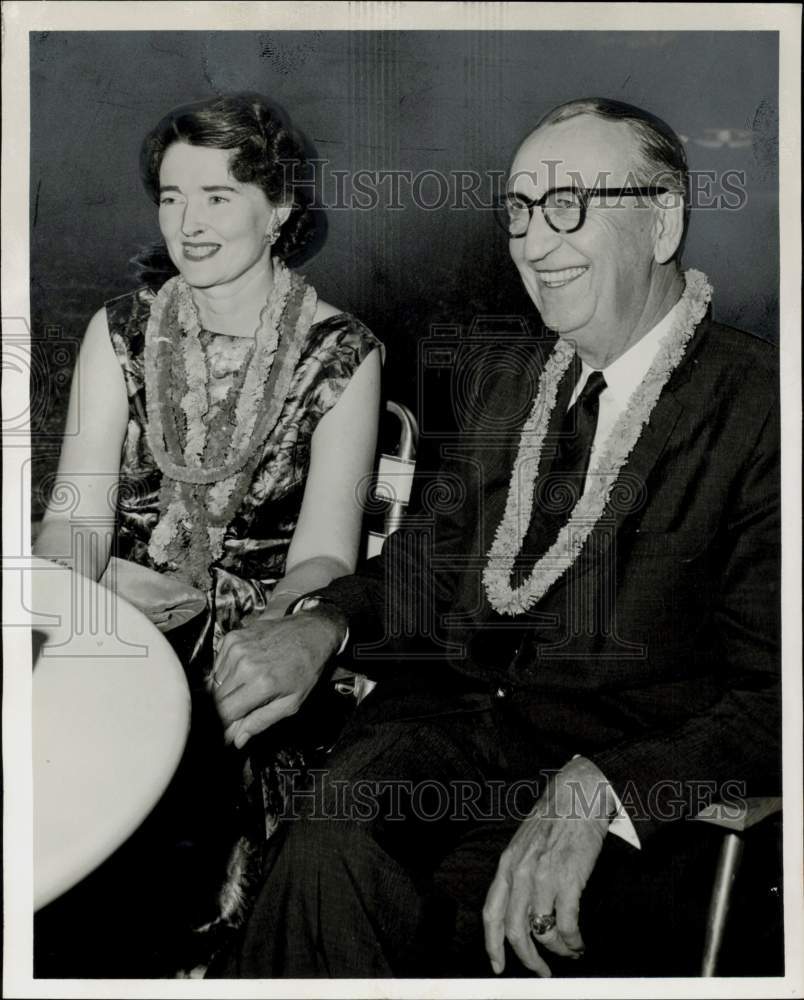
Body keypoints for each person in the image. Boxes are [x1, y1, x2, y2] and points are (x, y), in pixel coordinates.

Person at [208, 98, 781, 979]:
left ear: (662, 218)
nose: (534, 243)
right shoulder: (512, 380)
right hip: (451, 740)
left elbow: (781, 702)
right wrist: (322, 624)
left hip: (646, 814)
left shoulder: (765, 410)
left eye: (568, 205)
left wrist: (607, 790)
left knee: (351, 879)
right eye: (519, 208)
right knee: (329, 832)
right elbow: (422, 571)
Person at [33, 93, 382, 975]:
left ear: (282, 209)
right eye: (171, 195)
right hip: (119, 610)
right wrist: (87, 609)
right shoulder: (119, 330)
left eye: (219, 196)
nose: (188, 224)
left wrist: (266, 638)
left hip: (257, 639)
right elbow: (74, 520)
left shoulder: (343, 354)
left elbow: (326, 556)